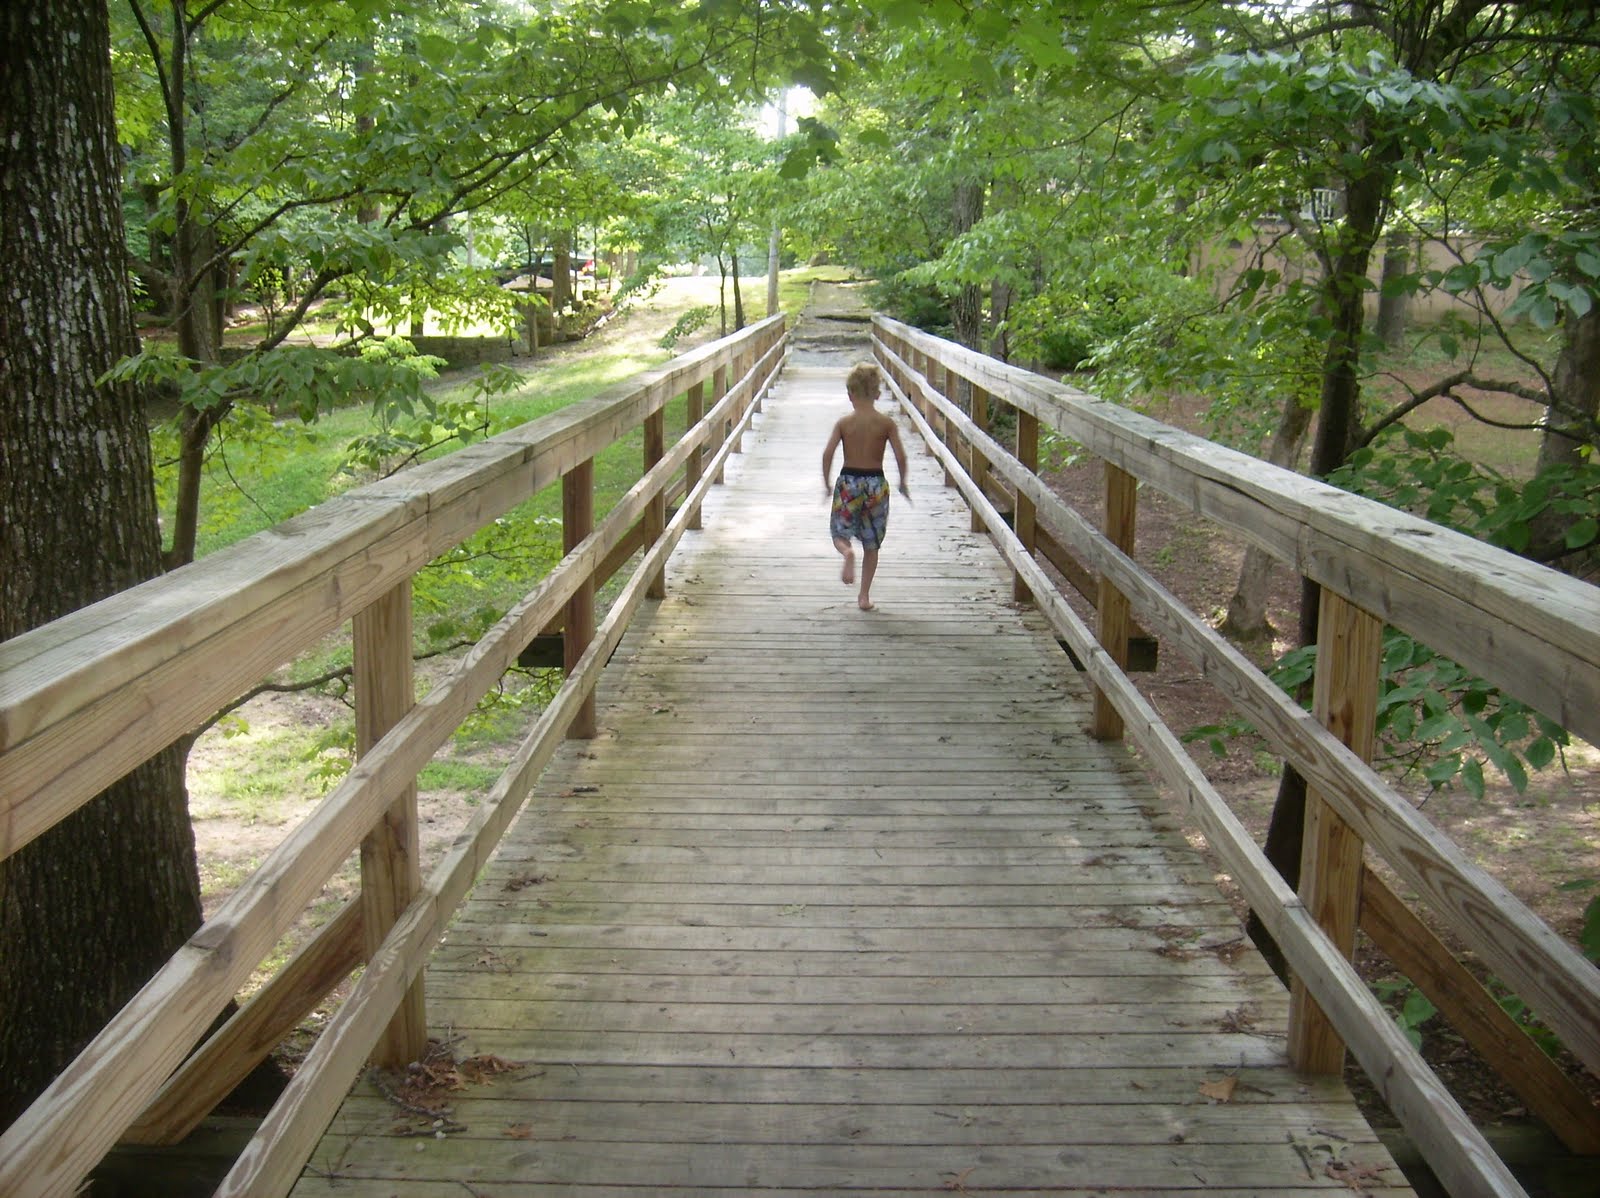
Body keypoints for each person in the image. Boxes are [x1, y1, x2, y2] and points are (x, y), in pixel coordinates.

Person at [821, 362, 910, 611]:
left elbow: (827, 454)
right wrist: (903, 481)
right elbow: (901, 456)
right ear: (878, 394)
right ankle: (864, 597)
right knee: (872, 544)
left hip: (849, 482)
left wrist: (827, 483)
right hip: (876, 484)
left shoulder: (844, 423)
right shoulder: (886, 423)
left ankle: (847, 553)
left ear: (850, 395)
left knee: (840, 533)